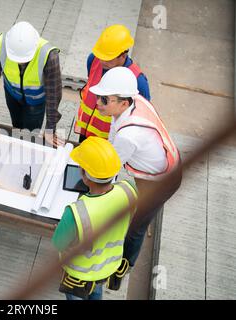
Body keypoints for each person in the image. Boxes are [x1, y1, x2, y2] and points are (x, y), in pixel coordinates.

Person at [88, 66, 181, 286]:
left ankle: (122, 267)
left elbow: (108, 171)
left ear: (122, 102)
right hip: (155, 172)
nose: (98, 104)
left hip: (160, 183)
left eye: (104, 100)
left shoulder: (128, 136)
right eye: (99, 98)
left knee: (134, 229)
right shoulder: (136, 101)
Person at [52, 137, 138, 300]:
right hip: (108, 267)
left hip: (79, 275)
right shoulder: (129, 189)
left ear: (84, 175)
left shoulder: (76, 212)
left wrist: (62, 229)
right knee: (96, 291)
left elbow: (58, 243)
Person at [0, 21, 63, 146]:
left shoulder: (49, 55)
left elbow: (54, 95)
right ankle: (17, 147)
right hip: (12, 95)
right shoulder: (0, 44)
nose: (20, 63)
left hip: (35, 103)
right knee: (17, 128)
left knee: (29, 137)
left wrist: (50, 129)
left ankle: (24, 154)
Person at [74, 24, 151, 142]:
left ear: (123, 56)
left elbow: (142, 114)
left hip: (109, 139)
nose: (101, 61)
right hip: (86, 130)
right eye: (101, 56)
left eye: (107, 58)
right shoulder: (93, 59)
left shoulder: (138, 80)